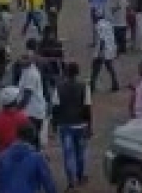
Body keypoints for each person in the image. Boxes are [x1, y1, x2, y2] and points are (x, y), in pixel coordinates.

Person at [52, 62, 92, 190]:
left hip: (65, 124)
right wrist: (89, 126)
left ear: (66, 72)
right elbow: (87, 107)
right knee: (80, 152)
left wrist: (54, 125)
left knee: (68, 154)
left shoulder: (58, 87)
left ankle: (71, 180)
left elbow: (55, 108)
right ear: (78, 72)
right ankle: (80, 176)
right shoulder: (84, 86)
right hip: (81, 124)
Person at [0, 123, 58, 193]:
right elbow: (48, 183)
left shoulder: (2, 156)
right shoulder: (37, 158)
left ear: (17, 135)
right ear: (33, 138)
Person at [0, 86, 31, 175]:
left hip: (3, 159)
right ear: (15, 101)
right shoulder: (22, 117)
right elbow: (31, 139)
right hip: (20, 158)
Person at [16, 43, 49, 136]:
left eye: (24, 59)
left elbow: (27, 96)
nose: (21, 61)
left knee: (31, 139)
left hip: (33, 112)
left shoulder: (31, 74)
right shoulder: (25, 70)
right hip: (32, 111)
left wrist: (16, 109)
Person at [90, 11, 120, 92]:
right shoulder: (108, 23)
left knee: (96, 68)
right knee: (110, 67)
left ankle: (92, 86)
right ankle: (115, 84)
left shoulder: (98, 26)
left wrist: (100, 52)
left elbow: (102, 39)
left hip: (103, 50)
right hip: (110, 48)